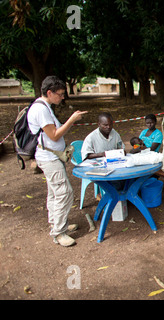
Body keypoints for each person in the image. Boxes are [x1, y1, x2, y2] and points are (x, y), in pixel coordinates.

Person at [27, 75, 87, 247]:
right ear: (49, 92)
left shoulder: (45, 106)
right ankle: (59, 233)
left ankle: (57, 223)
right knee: (64, 192)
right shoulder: (41, 110)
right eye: (60, 94)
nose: (62, 98)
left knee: (54, 192)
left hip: (53, 156)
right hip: (49, 158)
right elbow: (54, 135)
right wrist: (72, 120)